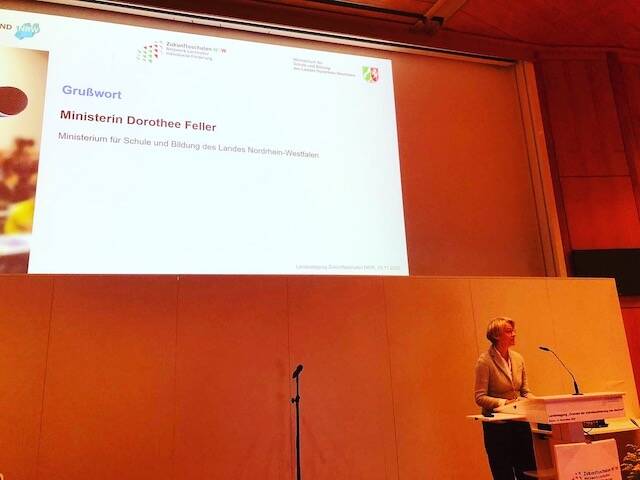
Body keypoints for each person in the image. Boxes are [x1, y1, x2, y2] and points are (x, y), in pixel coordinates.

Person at [474, 317, 536, 480]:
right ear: (496, 335)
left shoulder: (518, 358)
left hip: (520, 423)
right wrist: (505, 403)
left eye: (514, 330)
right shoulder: (485, 361)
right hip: (498, 428)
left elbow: (525, 391)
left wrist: (538, 402)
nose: (514, 334)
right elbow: (480, 397)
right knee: (503, 473)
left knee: (528, 472)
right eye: (509, 331)